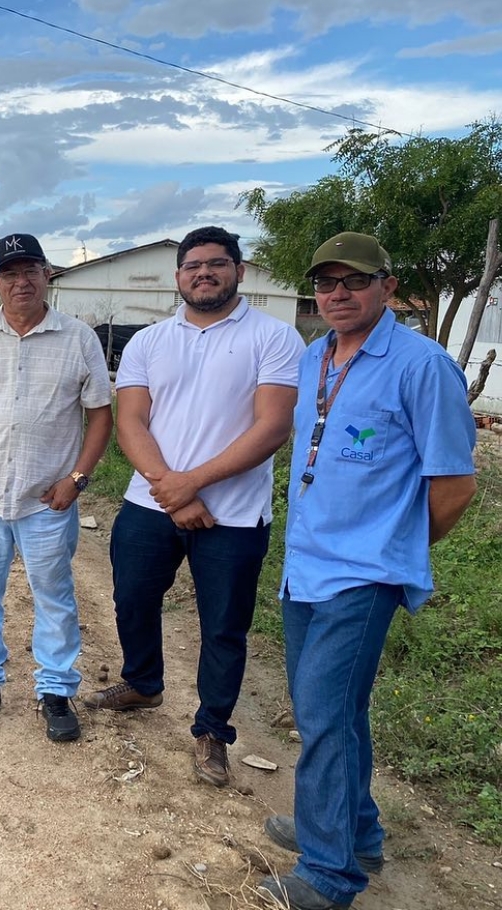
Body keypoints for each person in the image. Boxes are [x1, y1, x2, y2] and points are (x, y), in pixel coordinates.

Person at [258, 233, 477, 910]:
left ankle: (328, 877)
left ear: (387, 283)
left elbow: (455, 484)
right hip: (305, 568)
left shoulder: (421, 365)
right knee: (333, 712)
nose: (337, 294)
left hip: (364, 574)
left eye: (352, 281)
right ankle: (354, 832)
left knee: (323, 714)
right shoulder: (313, 357)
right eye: (325, 283)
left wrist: (396, 546)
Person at [85, 226, 305, 786]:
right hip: (149, 503)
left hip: (233, 515)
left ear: (240, 270)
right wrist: (170, 489)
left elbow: (273, 426)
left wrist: (193, 484)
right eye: (192, 266)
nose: (203, 273)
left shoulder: (275, 338)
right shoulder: (149, 341)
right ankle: (143, 683)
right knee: (132, 596)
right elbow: (131, 421)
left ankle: (212, 730)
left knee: (224, 626)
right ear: (178, 275)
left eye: (216, 264)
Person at [0, 232, 113, 742]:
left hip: (46, 501)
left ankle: (55, 688)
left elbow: (101, 416)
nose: (21, 281)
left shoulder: (78, 339)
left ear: (46, 275)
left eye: (30, 270)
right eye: (10, 273)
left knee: (53, 594)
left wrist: (76, 480)